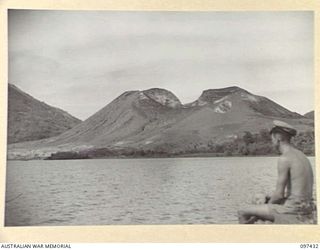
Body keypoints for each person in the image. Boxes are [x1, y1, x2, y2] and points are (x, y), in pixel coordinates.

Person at [238, 120, 315, 224]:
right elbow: (295, 192)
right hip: (307, 206)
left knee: (243, 212)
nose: (272, 142)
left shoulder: (284, 158)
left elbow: (279, 195)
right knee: (261, 200)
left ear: (278, 139)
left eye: (272, 139)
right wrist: (268, 198)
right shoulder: (301, 155)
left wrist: (266, 206)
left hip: (293, 210)